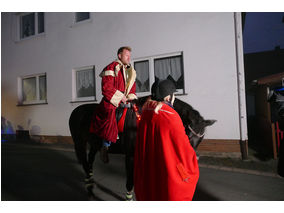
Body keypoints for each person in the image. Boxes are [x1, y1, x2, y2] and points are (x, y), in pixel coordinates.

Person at [134, 79, 199, 201]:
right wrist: (193, 158)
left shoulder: (145, 113)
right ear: (168, 98)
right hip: (166, 170)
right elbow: (183, 149)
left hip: (149, 169)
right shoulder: (170, 116)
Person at [90, 46, 137, 163]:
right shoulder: (111, 67)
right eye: (126, 55)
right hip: (111, 101)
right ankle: (105, 146)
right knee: (110, 116)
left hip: (125, 101)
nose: (129, 57)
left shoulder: (130, 71)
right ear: (119, 55)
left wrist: (131, 98)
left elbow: (131, 89)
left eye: (129, 56)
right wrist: (121, 97)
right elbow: (106, 88)